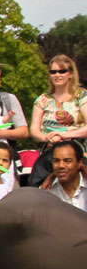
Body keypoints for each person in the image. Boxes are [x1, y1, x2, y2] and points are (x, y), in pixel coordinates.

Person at [27, 55, 87, 187]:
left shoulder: (81, 96)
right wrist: (47, 137)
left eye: (62, 71)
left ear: (70, 74)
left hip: (75, 149)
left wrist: (65, 135)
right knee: (35, 185)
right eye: (53, 72)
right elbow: (34, 130)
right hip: (50, 151)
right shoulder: (43, 99)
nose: (57, 75)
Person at [39, 140, 87, 211]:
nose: (61, 166)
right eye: (56, 161)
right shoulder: (46, 191)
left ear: (79, 163)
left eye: (67, 161)